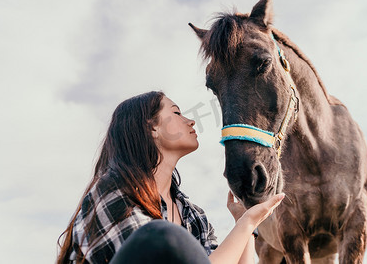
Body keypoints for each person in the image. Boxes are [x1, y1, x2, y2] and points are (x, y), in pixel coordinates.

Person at [57, 91, 284, 264]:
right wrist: (246, 223)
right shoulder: (114, 191)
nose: (190, 121)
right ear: (152, 128)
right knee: (162, 237)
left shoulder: (192, 215)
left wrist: (244, 222)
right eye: (176, 113)